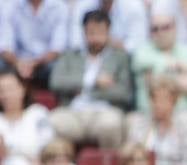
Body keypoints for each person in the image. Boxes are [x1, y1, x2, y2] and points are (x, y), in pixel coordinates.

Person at [48, 9, 135, 149]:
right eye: (91, 32)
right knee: (53, 122)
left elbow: (123, 93)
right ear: (84, 32)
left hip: (104, 111)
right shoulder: (70, 55)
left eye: (100, 32)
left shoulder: (120, 57)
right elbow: (56, 82)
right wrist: (93, 81)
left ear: (108, 32)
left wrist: (86, 91)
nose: (96, 38)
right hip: (74, 112)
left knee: (111, 124)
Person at [131, 8, 187, 119]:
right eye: (155, 29)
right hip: (148, 114)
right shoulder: (141, 51)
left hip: (183, 113)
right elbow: (152, 80)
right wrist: (182, 75)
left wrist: (163, 77)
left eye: (165, 27)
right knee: (134, 121)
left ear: (175, 28)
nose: (160, 33)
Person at [0, 68, 55, 164]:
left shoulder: (38, 113)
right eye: (1, 90)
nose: (6, 95)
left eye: (10, 89)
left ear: (23, 89)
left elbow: (49, 145)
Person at [0, 0, 68, 88]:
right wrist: (18, 63)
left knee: (58, 68)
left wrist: (33, 64)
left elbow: (57, 48)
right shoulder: (10, 6)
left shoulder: (59, 6)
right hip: (17, 62)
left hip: (45, 63)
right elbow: (3, 45)